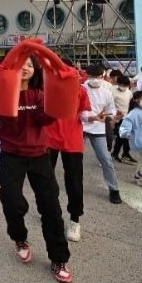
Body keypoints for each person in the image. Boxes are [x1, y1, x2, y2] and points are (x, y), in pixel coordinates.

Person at [0, 56, 72, 283]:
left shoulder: (40, 95)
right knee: (11, 201)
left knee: (50, 207)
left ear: (35, 70)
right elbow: (8, 120)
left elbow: (43, 119)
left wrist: (58, 104)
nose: (26, 68)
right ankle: (20, 238)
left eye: (30, 65)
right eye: (21, 65)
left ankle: (59, 259)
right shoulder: (4, 93)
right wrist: (10, 87)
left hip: (39, 154)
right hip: (11, 154)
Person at [46, 85, 91, 242]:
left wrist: (93, 118)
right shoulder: (47, 88)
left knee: (74, 182)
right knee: (46, 179)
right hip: (49, 139)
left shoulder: (80, 90)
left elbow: (84, 114)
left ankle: (75, 220)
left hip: (72, 141)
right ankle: (50, 209)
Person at [81, 64, 122, 204]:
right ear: (87, 75)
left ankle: (114, 189)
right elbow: (78, 110)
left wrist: (112, 116)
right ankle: (75, 185)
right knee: (75, 159)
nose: (95, 79)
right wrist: (91, 117)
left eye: (98, 76)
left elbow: (111, 109)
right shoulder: (81, 89)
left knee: (106, 159)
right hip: (80, 127)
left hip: (98, 128)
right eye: (92, 76)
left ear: (103, 76)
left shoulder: (106, 92)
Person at [110, 75, 136, 163]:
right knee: (121, 137)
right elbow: (110, 105)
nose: (124, 87)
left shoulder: (129, 92)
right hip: (118, 118)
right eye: (122, 84)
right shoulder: (113, 92)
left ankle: (125, 153)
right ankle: (115, 153)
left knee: (126, 137)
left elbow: (131, 104)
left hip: (127, 117)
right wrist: (115, 115)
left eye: (126, 85)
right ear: (118, 83)